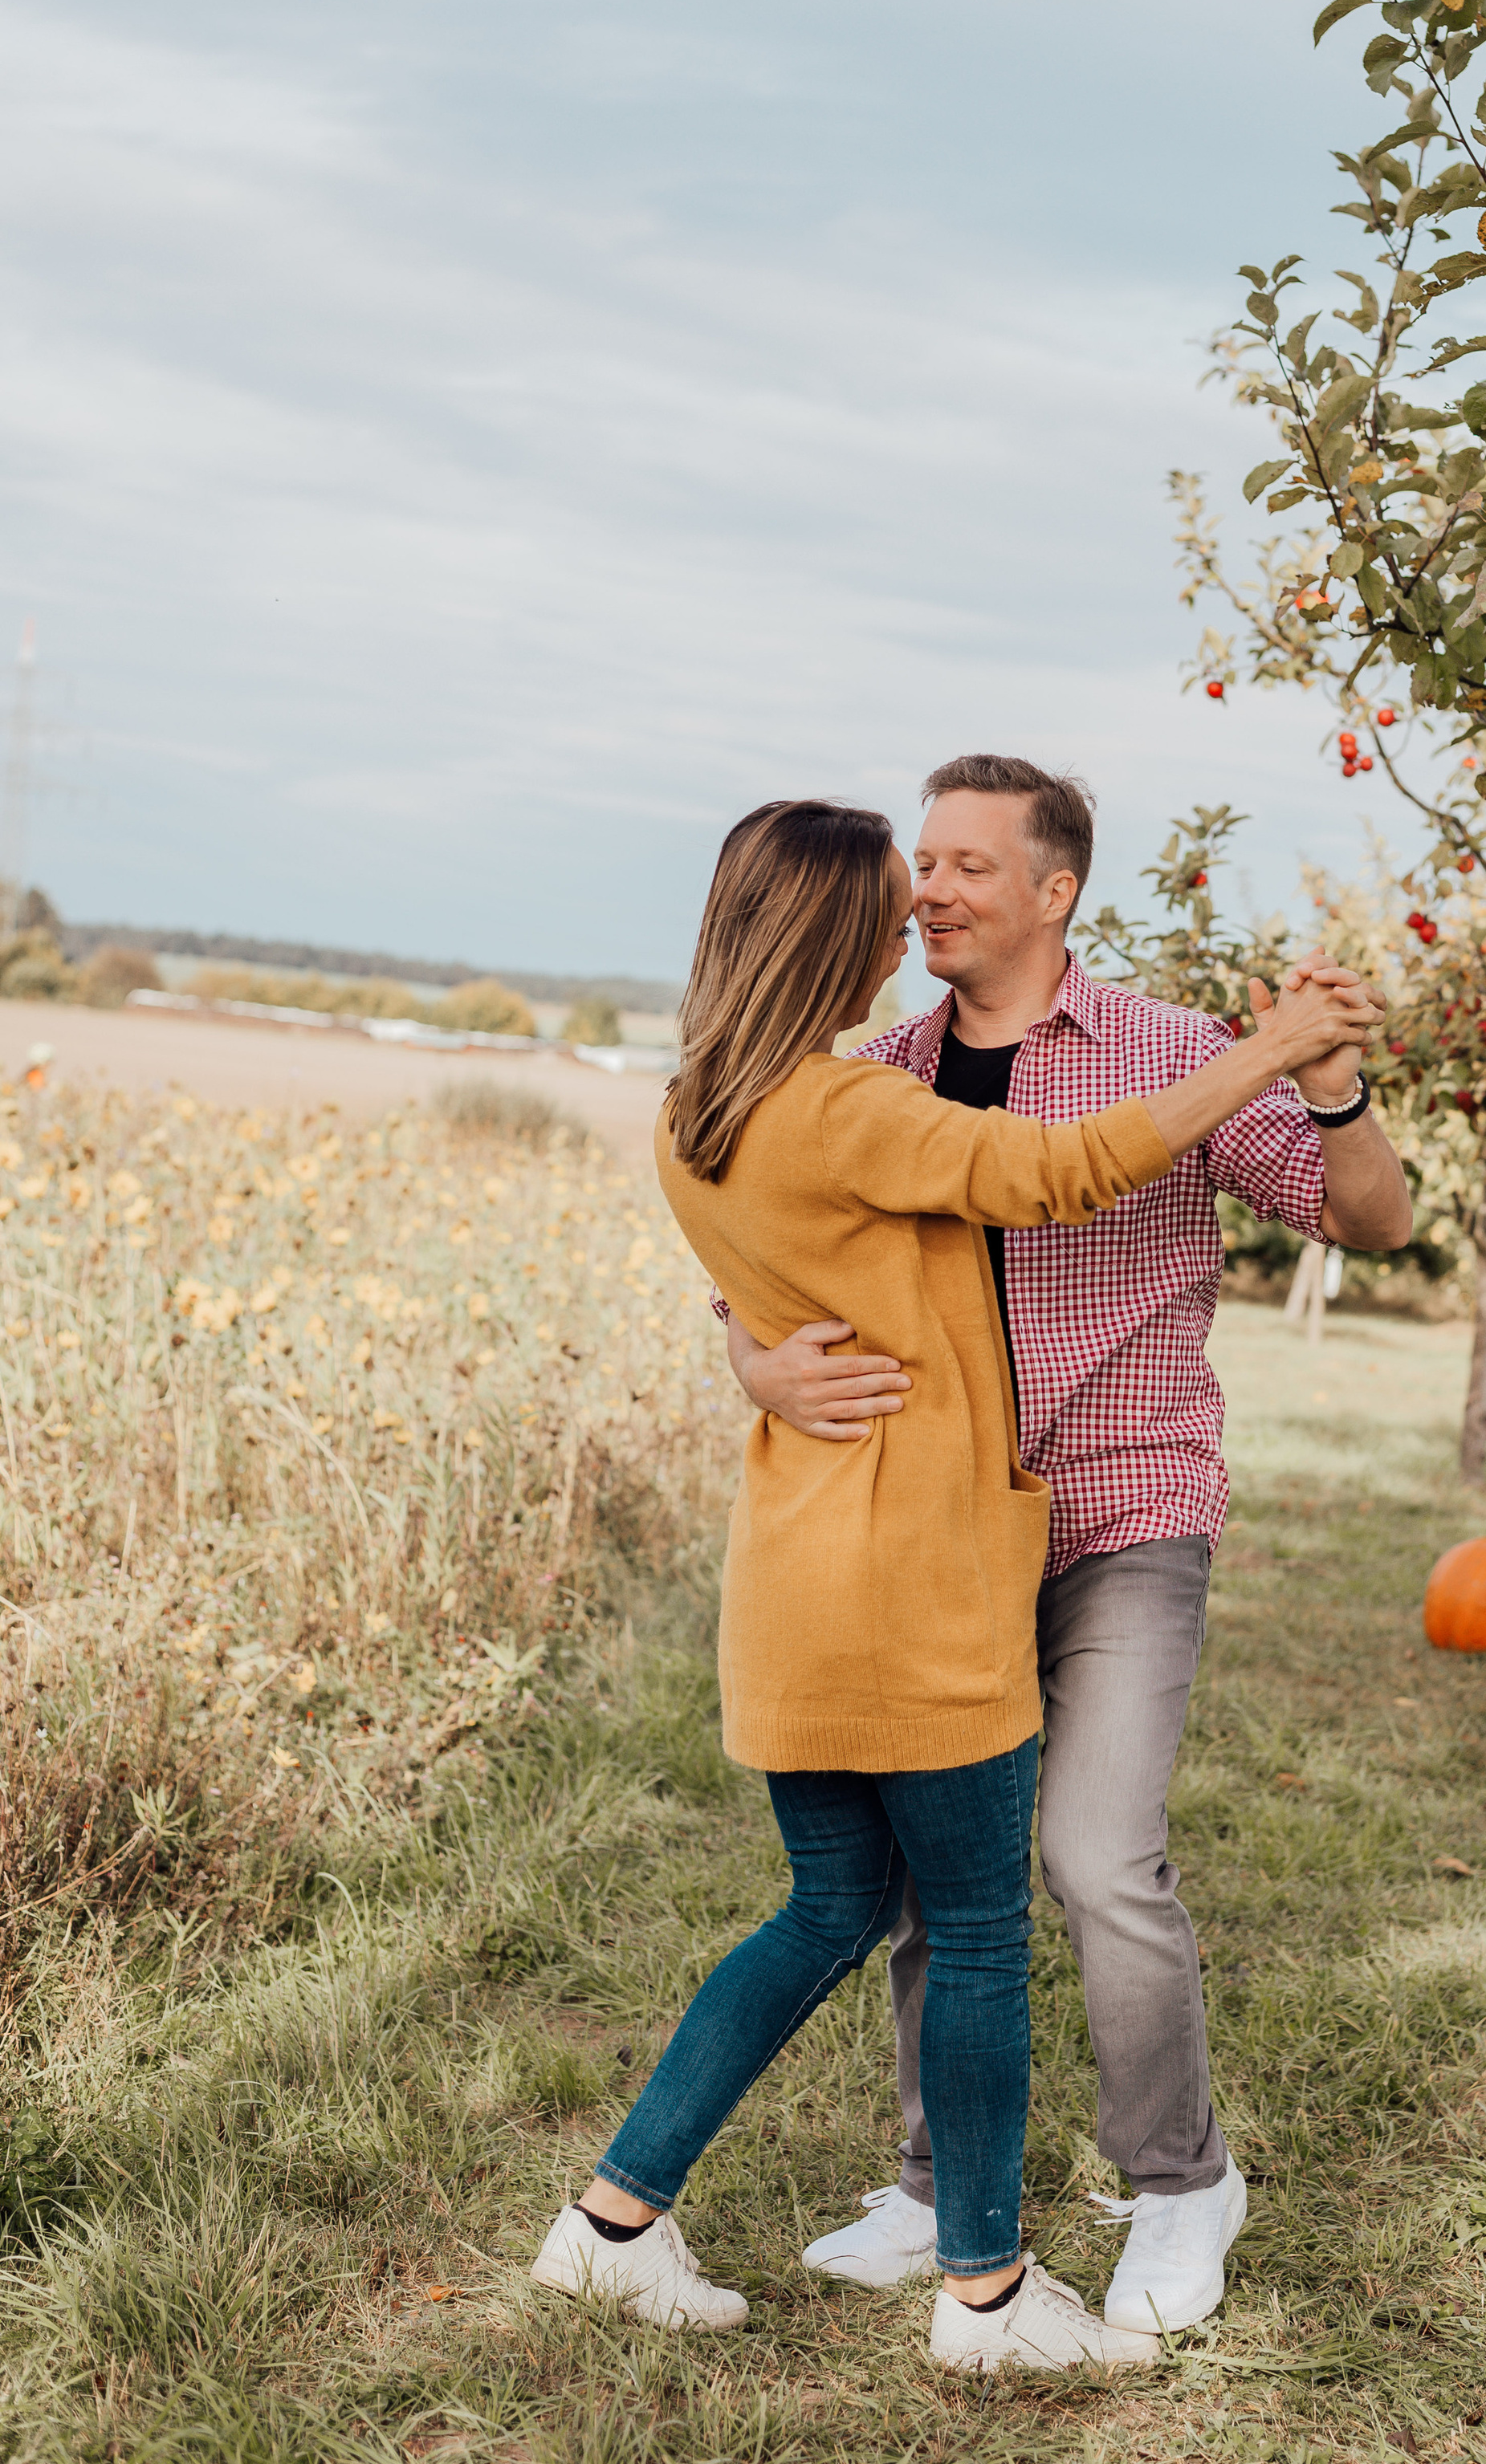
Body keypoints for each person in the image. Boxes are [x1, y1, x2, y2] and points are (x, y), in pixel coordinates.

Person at [530, 795, 1368, 2373]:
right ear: (825, 933)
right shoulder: (850, 1104)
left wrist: (753, 1360)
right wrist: (1269, 1050)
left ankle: (613, 2221)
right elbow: (1068, 1168)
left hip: (797, 1564)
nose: (910, 911)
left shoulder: (694, 1107)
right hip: (915, 1565)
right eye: (889, 894)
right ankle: (985, 2295)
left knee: (832, 1907)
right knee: (977, 1927)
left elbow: (777, 1281)